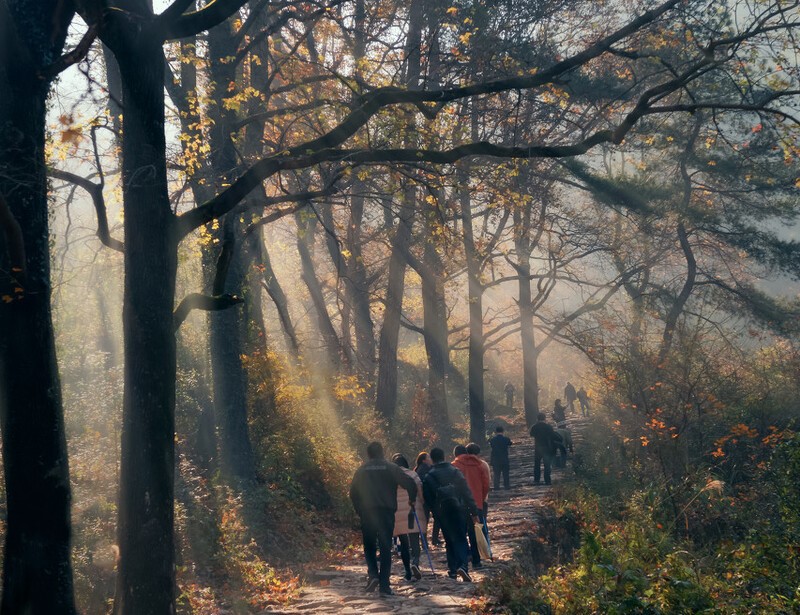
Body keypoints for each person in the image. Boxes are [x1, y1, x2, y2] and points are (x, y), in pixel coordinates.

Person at [349, 441, 416, 596]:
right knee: (386, 547)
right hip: (386, 512)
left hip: (367, 512)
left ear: (368, 454)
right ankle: (384, 586)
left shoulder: (361, 470)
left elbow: (353, 493)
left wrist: (359, 510)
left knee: (370, 546)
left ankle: (373, 574)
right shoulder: (391, 467)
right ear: (382, 452)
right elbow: (410, 483)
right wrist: (411, 500)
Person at [423, 447, 480, 582]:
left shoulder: (429, 476)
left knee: (449, 540)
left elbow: (428, 498)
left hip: (442, 512)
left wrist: (435, 512)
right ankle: (463, 566)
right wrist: (473, 511)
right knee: (460, 537)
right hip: (459, 509)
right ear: (444, 456)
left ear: (432, 459)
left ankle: (453, 570)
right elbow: (466, 492)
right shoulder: (455, 472)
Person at [453, 443, 490, 569]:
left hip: (459, 505)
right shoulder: (479, 465)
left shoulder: (454, 466)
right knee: (475, 532)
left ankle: (463, 562)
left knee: (461, 533)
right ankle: (476, 561)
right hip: (476, 504)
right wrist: (480, 497)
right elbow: (486, 484)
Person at [391, 454, 426, 581]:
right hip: (413, 509)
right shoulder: (413, 474)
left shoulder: (391, 476)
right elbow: (420, 491)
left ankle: (407, 570)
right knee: (414, 538)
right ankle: (415, 562)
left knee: (403, 541)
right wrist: (422, 503)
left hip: (397, 511)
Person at [529, 413, 563, 486]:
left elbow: (531, 434)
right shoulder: (548, 427)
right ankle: (547, 480)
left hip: (538, 447)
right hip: (547, 447)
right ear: (545, 418)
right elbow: (552, 435)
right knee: (547, 465)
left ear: (537, 419)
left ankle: (536, 480)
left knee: (537, 464)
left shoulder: (534, 427)